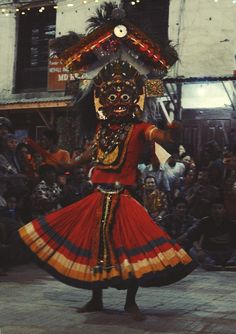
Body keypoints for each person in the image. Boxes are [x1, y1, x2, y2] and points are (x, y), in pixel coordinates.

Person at [18, 60, 196, 320]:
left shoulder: (141, 128)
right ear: (103, 100)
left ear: (134, 98)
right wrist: (58, 160)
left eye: (124, 96)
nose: (118, 101)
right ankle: (95, 299)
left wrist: (172, 131)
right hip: (97, 197)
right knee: (94, 248)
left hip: (124, 197)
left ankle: (130, 303)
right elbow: (82, 159)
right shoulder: (102, 130)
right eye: (111, 96)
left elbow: (164, 139)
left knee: (130, 247)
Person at [189, 200, 236, 270]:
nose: (217, 211)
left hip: (226, 253)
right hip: (210, 253)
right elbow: (194, 239)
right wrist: (199, 250)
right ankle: (210, 264)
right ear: (210, 211)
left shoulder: (230, 223)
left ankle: (231, 263)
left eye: (219, 208)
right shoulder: (204, 222)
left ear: (224, 210)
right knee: (192, 250)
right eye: (214, 208)